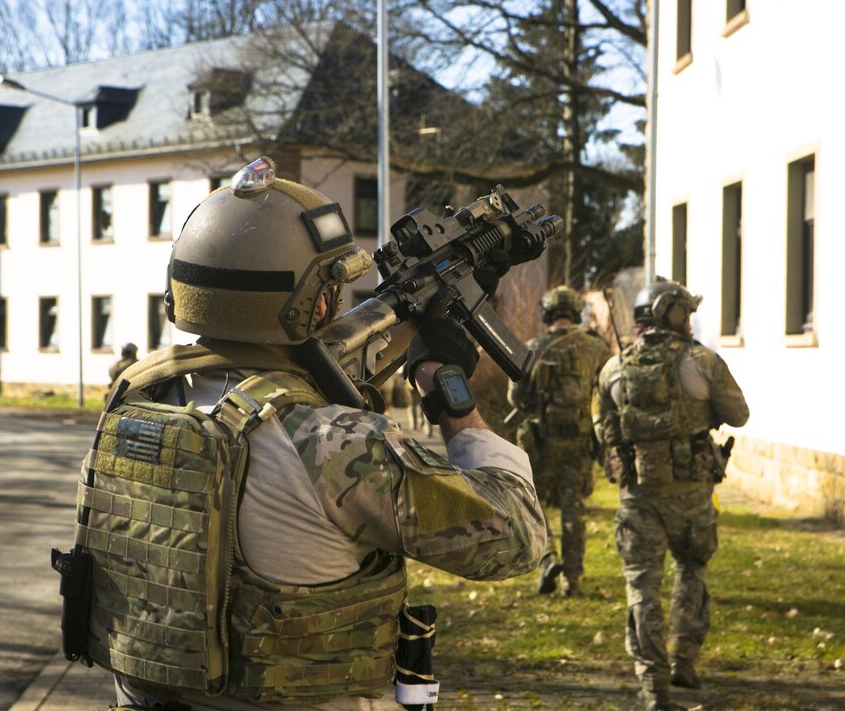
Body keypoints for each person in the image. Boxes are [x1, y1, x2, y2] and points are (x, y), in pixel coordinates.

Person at [94, 158, 546, 710]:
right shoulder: (336, 444)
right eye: (333, 289)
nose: (338, 302)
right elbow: (516, 537)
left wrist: (416, 318)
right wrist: (443, 385)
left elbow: (300, 375)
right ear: (318, 302)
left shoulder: (138, 401)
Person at [594, 280, 749, 711]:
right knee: (691, 569)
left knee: (642, 587)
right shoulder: (702, 361)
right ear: (674, 314)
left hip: (637, 496)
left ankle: (653, 688)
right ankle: (684, 660)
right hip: (692, 495)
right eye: (688, 314)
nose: (691, 323)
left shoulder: (614, 368)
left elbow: (602, 427)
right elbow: (739, 414)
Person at [507, 285, 611, 597]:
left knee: (534, 505)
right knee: (573, 509)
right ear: (576, 312)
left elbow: (516, 397)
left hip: (542, 442)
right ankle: (573, 580)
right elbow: (608, 389)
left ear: (548, 313)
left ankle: (548, 557)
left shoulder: (532, 347)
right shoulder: (595, 347)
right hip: (579, 442)